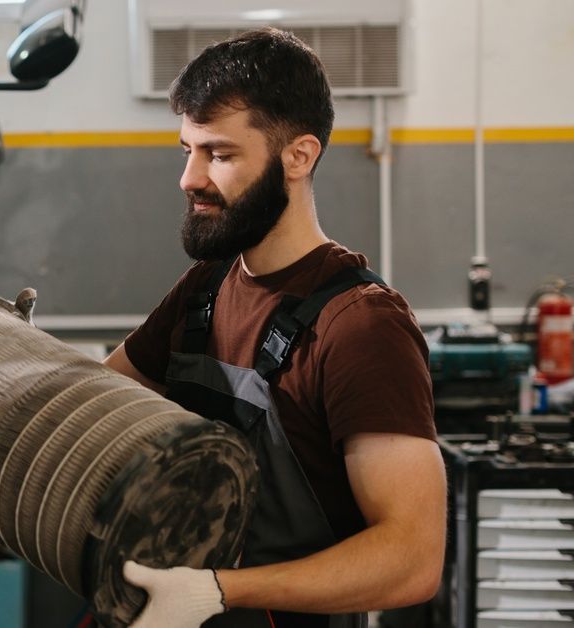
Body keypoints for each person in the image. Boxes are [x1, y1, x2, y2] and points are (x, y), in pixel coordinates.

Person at [103, 28, 445, 628]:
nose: (190, 177)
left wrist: (217, 592)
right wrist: (12, 354)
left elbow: (413, 560)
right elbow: (99, 402)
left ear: (299, 156)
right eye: (186, 149)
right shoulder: (207, 288)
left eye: (219, 153)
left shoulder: (361, 327)